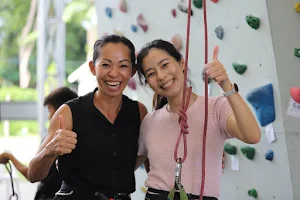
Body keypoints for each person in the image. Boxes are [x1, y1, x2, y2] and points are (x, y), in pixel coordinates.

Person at [135, 39, 261, 200]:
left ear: (182, 63)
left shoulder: (216, 108)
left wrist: (226, 85)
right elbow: (128, 166)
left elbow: (252, 136)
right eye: (151, 73)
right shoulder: (149, 121)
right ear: (148, 83)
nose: (161, 76)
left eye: (165, 65)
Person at [27, 34, 148, 200]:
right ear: (93, 68)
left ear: (132, 71)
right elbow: (33, 174)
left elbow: (141, 156)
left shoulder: (139, 112)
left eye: (123, 66)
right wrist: (50, 151)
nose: (114, 73)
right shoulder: (68, 112)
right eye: (106, 64)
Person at [0, 87, 78, 200]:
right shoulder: (83, 136)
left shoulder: (55, 141)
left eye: (50, 110)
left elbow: (31, 174)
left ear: (60, 112)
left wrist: (9, 157)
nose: (49, 116)